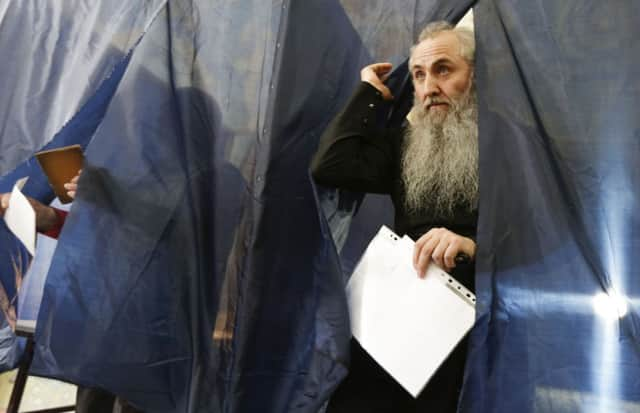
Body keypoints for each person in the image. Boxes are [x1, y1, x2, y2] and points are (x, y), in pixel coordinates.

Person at [311, 21, 478, 412]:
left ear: (476, 75)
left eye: (443, 70)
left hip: (475, 329)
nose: (428, 87)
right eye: (418, 75)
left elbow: (541, 242)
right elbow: (331, 165)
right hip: (401, 324)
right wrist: (370, 93)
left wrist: (471, 245)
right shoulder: (408, 143)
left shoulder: (511, 146)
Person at [1, 171, 143, 413]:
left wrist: (113, 201)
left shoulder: (210, 179)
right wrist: (53, 219)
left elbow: (162, 241)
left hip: (159, 331)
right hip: (113, 320)